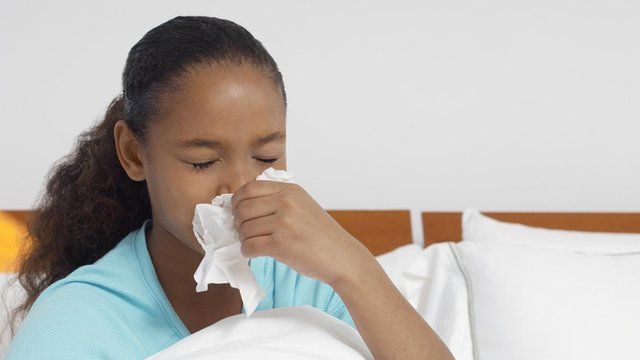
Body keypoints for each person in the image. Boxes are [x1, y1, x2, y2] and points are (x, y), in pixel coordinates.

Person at [4, 15, 454, 359]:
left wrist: (354, 267)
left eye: (266, 157)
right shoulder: (76, 323)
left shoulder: (312, 283)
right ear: (134, 154)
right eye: (202, 161)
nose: (240, 188)